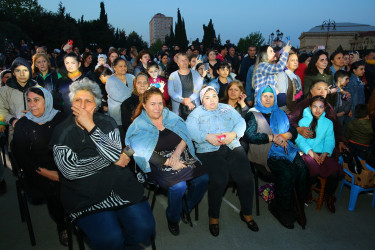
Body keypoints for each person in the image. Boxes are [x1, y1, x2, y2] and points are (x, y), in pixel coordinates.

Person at [50, 78, 155, 249]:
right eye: (78, 100)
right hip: (85, 196)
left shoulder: (107, 122)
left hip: (120, 189)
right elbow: (70, 170)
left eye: (88, 101)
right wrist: (111, 160)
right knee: (111, 239)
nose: (83, 105)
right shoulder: (61, 131)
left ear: (96, 105)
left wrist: (90, 126)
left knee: (145, 229)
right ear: (71, 104)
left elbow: (118, 152)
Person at [125, 87, 208, 236]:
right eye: (152, 104)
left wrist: (176, 153)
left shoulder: (169, 116)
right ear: (144, 105)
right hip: (156, 162)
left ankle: (186, 207)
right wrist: (169, 162)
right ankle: (173, 218)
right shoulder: (138, 125)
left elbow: (185, 134)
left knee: (203, 178)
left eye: (160, 103)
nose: (157, 108)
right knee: (179, 187)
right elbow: (138, 149)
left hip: (180, 154)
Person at [186, 86, 259, 237]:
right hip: (208, 149)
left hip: (231, 145)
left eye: (214, 96)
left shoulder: (227, 108)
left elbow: (241, 123)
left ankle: (246, 213)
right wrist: (207, 136)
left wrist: (233, 134)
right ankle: (214, 217)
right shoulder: (196, 113)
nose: (212, 100)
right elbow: (190, 130)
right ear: (201, 101)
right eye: (207, 97)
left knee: (246, 177)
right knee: (219, 179)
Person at [244, 85, 307, 229]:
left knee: (302, 169)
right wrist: (273, 137)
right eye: (264, 96)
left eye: (271, 96)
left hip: (285, 148)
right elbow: (250, 136)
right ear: (259, 97)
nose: (268, 99)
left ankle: (297, 206)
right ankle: (280, 208)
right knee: (287, 172)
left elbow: (292, 130)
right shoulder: (253, 114)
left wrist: (285, 135)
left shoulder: (280, 112)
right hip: (265, 152)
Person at [13, 87, 67, 245]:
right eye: (29, 101)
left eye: (36, 100)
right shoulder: (23, 125)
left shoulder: (60, 118)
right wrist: (48, 173)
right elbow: (22, 158)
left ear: (47, 101)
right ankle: (62, 226)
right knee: (54, 190)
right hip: (38, 170)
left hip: (64, 164)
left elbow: (73, 142)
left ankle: (81, 219)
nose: (32, 104)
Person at [295, 95, 343, 213]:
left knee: (335, 171)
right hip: (308, 152)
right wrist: (312, 154)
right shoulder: (304, 121)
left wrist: (325, 154)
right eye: (315, 107)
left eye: (321, 107)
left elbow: (330, 140)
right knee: (312, 170)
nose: (317, 110)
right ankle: (307, 192)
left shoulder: (328, 123)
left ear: (325, 108)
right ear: (310, 107)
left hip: (322, 153)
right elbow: (300, 140)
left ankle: (328, 196)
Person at [288, 80, 348, 160]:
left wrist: (340, 141)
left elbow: (336, 125)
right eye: (319, 89)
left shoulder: (328, 106)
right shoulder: (303, 105)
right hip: (307, 147)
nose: (323, 92)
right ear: (311, 91)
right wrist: (297, 129)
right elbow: (289, 119)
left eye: (326, 89)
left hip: (325, 147)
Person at [0, 57, 37, 146]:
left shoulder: (37, 88)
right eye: (18, 71)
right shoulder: (4, 90)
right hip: (15, 134)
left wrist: (37, 113)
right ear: (13, 72)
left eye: (25, 70)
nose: (21, 74)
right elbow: (1, 110)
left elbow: (47, 107)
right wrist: (12, 120)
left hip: (36, 133)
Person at [106, 57, 135, 141]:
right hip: (117, 114)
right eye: (120, 66)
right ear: (114, 68)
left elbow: (137, 90)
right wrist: (134, 97)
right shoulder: (110, 80)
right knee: (121, 138)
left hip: (131, 113)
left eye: (125, 66)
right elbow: (120, 97)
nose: (123, 68)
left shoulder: (131, 77)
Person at [168, 53, 203, 119]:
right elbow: (171, 92)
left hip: (194, 106)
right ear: (178, 63)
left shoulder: (196, 74)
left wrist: (189, 99)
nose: (184, 62)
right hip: (178, 108)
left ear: (189, 62)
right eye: (181, 60)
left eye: (186, 60)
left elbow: (199, 89)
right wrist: (183, 101)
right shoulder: (172, 75)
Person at [59, 52, 85, 116]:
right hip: (67, 117)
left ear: (79, 64)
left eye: (73, 63)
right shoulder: (61, 81)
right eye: (67, 63)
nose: (70, 65)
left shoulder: (87, 80)